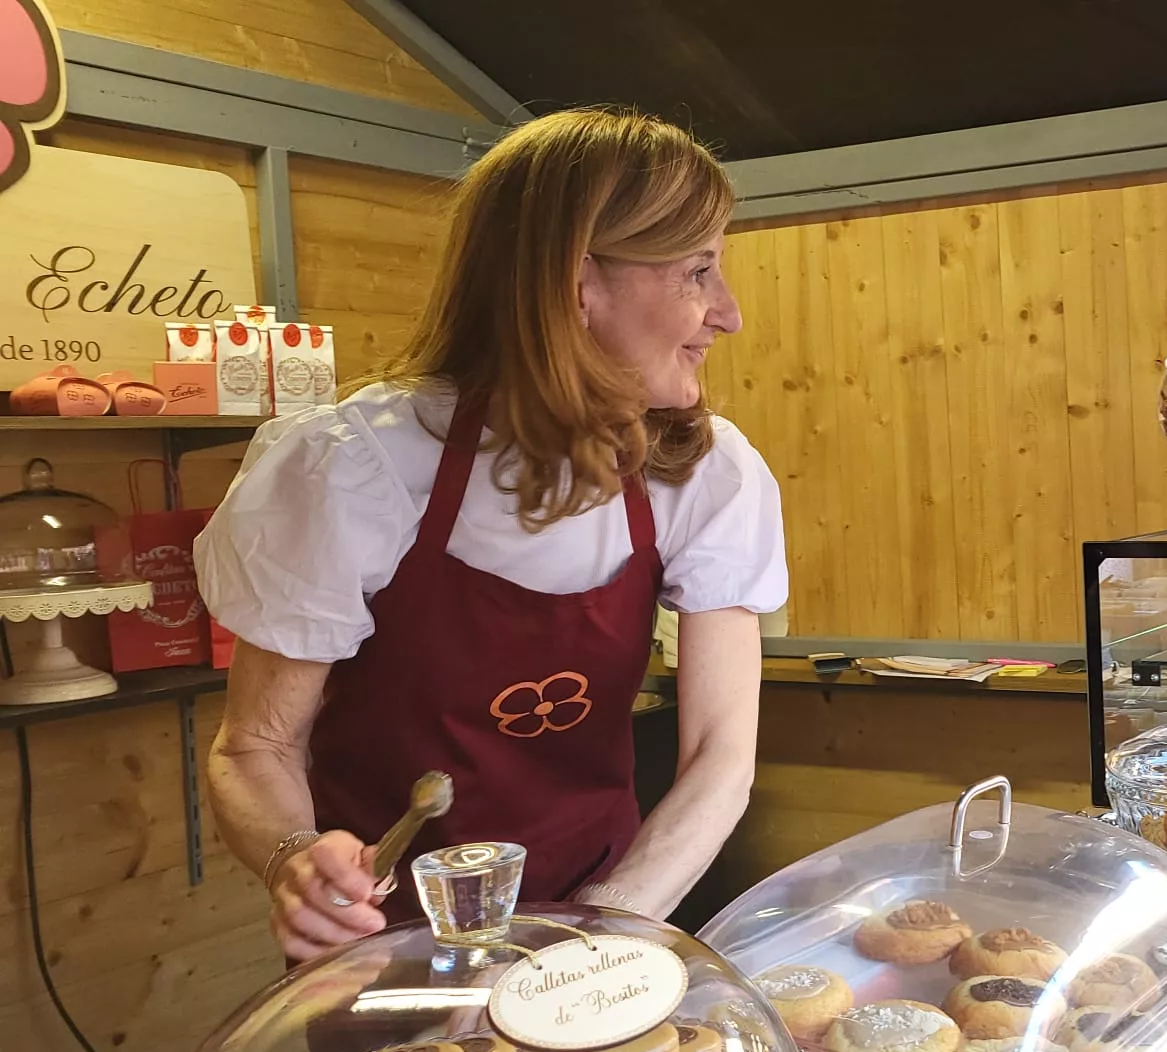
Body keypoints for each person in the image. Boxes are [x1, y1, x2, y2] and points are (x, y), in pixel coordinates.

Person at [193, 108, 787, 961]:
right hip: (382, 949)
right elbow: (256, 745)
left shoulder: (703, 473)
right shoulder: (353, 468)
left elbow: (720, 756)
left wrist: (606, 926)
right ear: (579, 283)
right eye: (698, 271)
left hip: (611, 911)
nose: (725, 314)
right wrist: (294, 861)